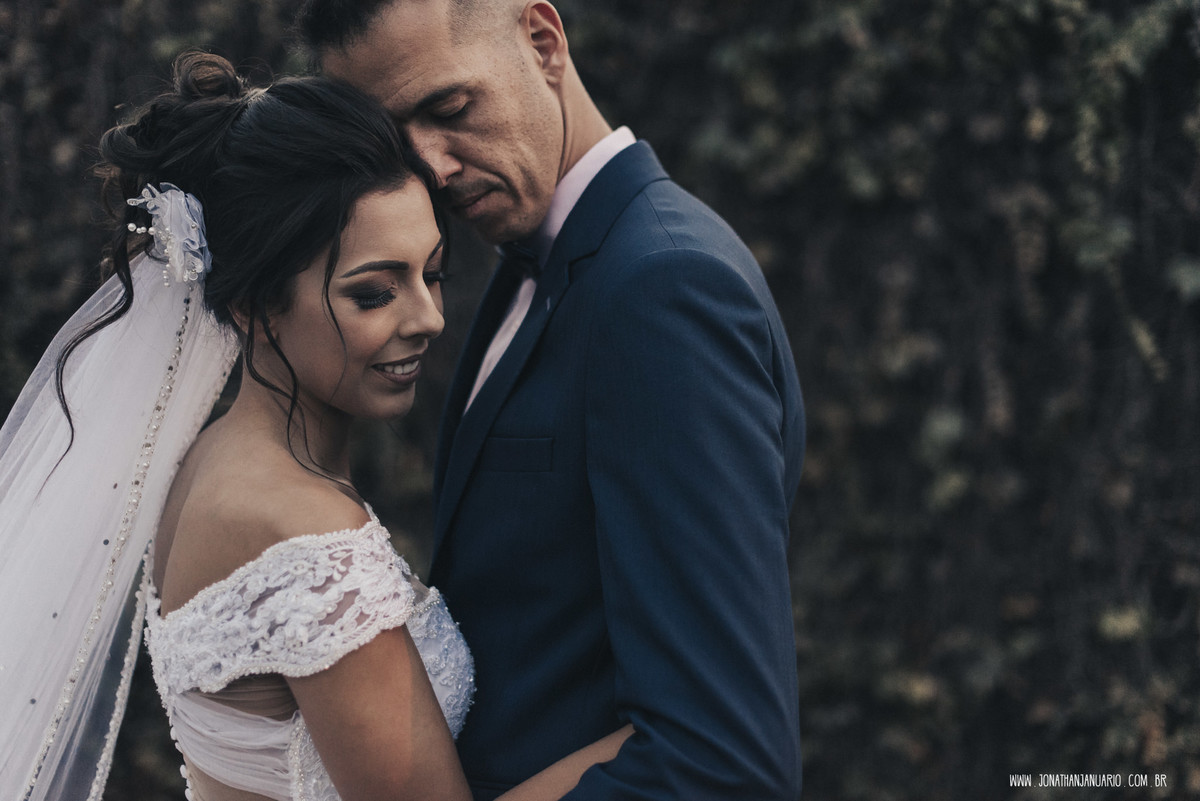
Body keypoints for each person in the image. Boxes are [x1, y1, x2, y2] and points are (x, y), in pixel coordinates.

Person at [0, 52, 628, 801]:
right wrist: (656, 739)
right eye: (373, 293)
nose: (427, 318)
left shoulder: (208, 465)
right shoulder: (300, 532)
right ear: (256, 305)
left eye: (431, 273)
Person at [298, 1, 806, 798]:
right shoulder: (528, 270)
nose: (429, 166)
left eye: (449, 108)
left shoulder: (663, 287)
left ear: (543, 42)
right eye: (396, 141)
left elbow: (720, 762)